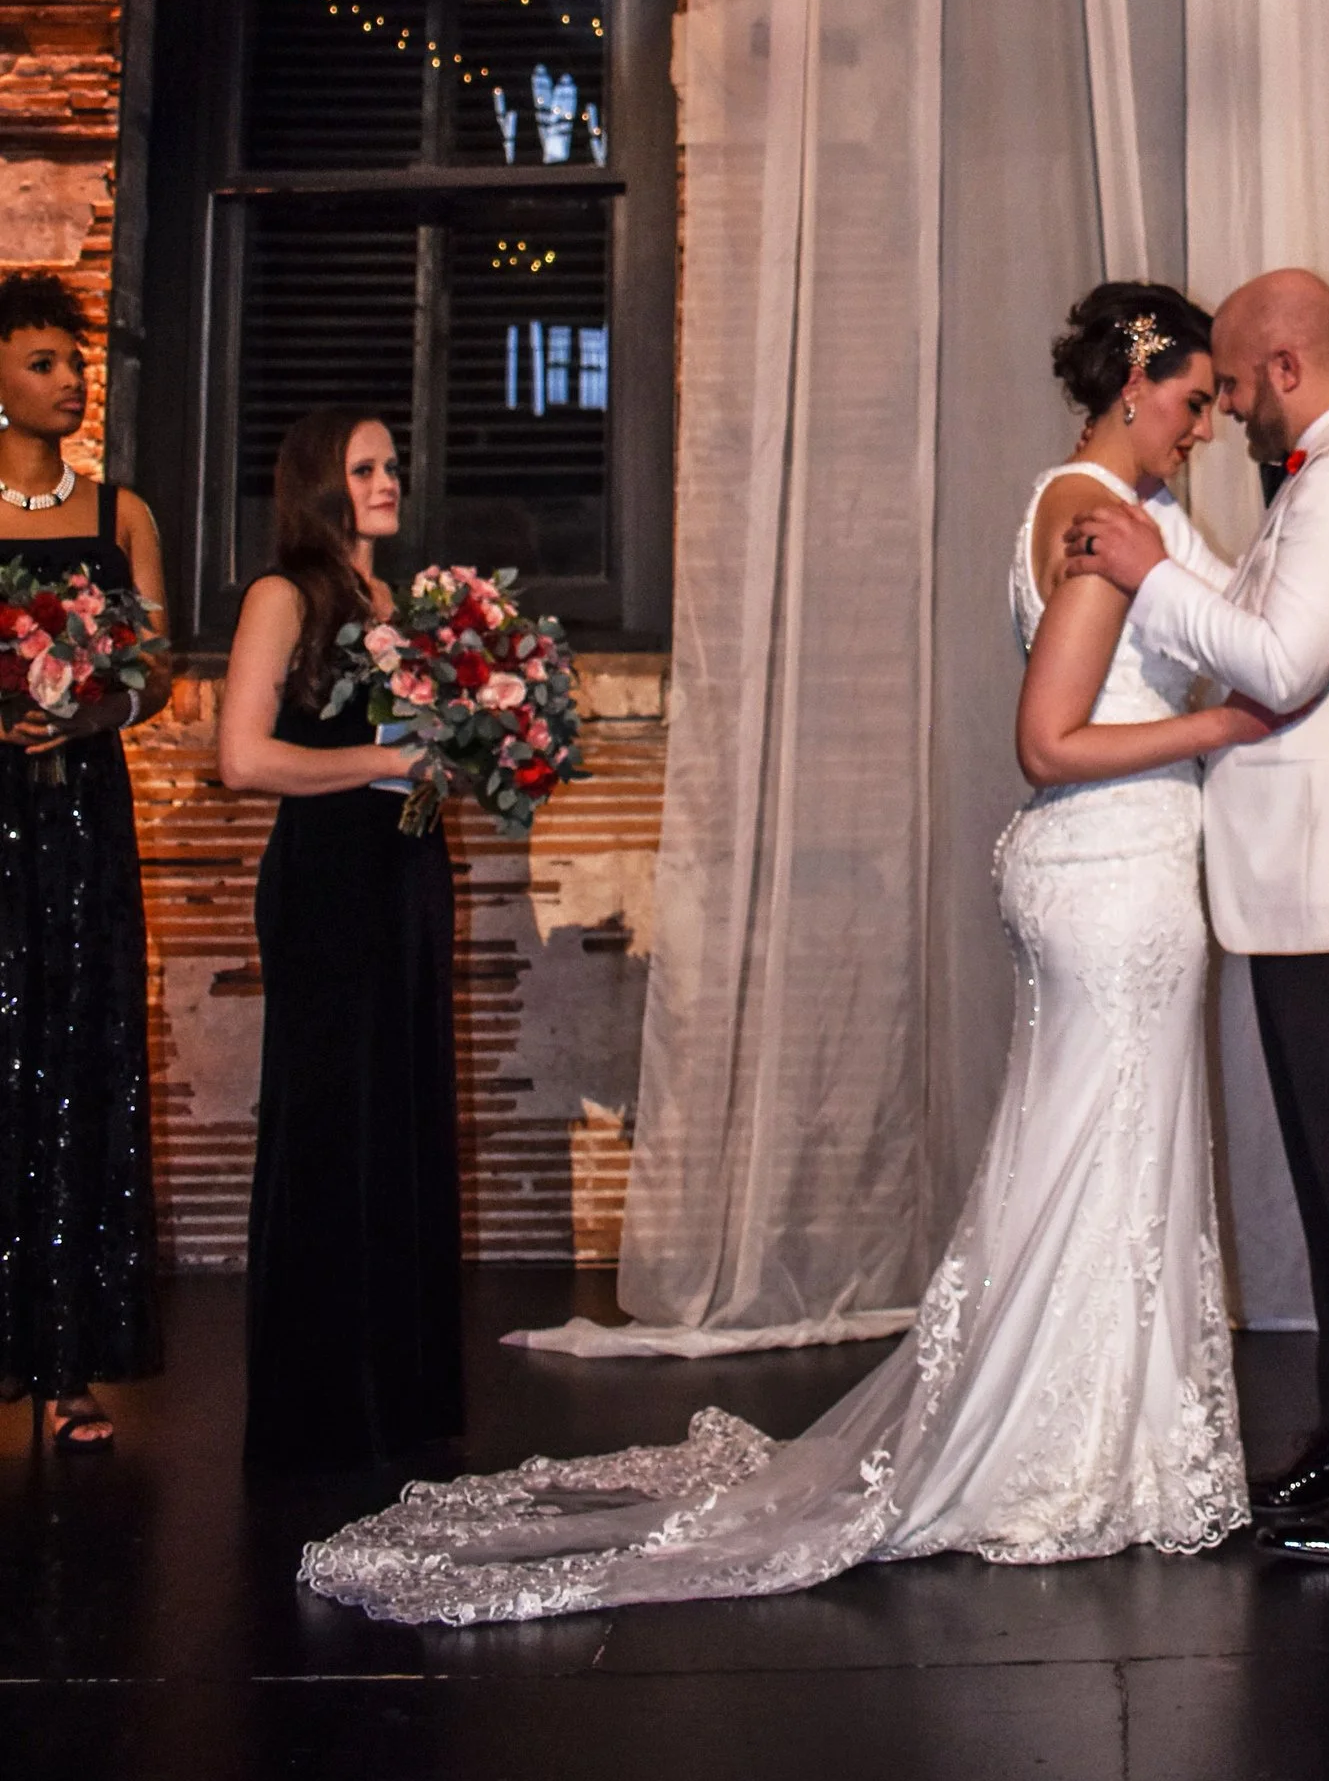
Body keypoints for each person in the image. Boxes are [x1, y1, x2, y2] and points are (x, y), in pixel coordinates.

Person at [298, 280, 1271, 1623]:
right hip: (1109, 866)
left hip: (1120, 868)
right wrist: (1221, 730)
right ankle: (1062, 1453)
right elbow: (1051, 737)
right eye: (1195, 396)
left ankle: (1102, 1438)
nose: (1206, 422)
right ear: (1137, 379)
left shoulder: (1113, 509)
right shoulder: (1098, 515)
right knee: (1097, 1155)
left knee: (1097, 1152)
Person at [1066, 268, 1329, 1562]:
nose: (1229, 415)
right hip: (1323, 898)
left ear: (1286, 368)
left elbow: (1286, 665)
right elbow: (1266, 618)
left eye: (1237, 388)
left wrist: (1146, 564)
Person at [222, 411, 457, 1471]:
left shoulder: (399, 601)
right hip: (325, 882)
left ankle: (394, 1388)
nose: (387, 481)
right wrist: (376, 761)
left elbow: (417, 753)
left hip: (407, 871)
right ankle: (318, 1403)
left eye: (393, 466)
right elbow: (244, 757)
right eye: (365, 467)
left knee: (398, 1116)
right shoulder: (285, 594)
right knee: (329, 1122)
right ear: (321, 482)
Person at [0, 269, 170, 1450]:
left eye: (77, 360)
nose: (72, 378)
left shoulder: (123, 514)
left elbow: (156, 668)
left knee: (78, 1056)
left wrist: (95, 708)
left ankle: (68, 1363)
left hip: (79, 813)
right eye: (47, 360)